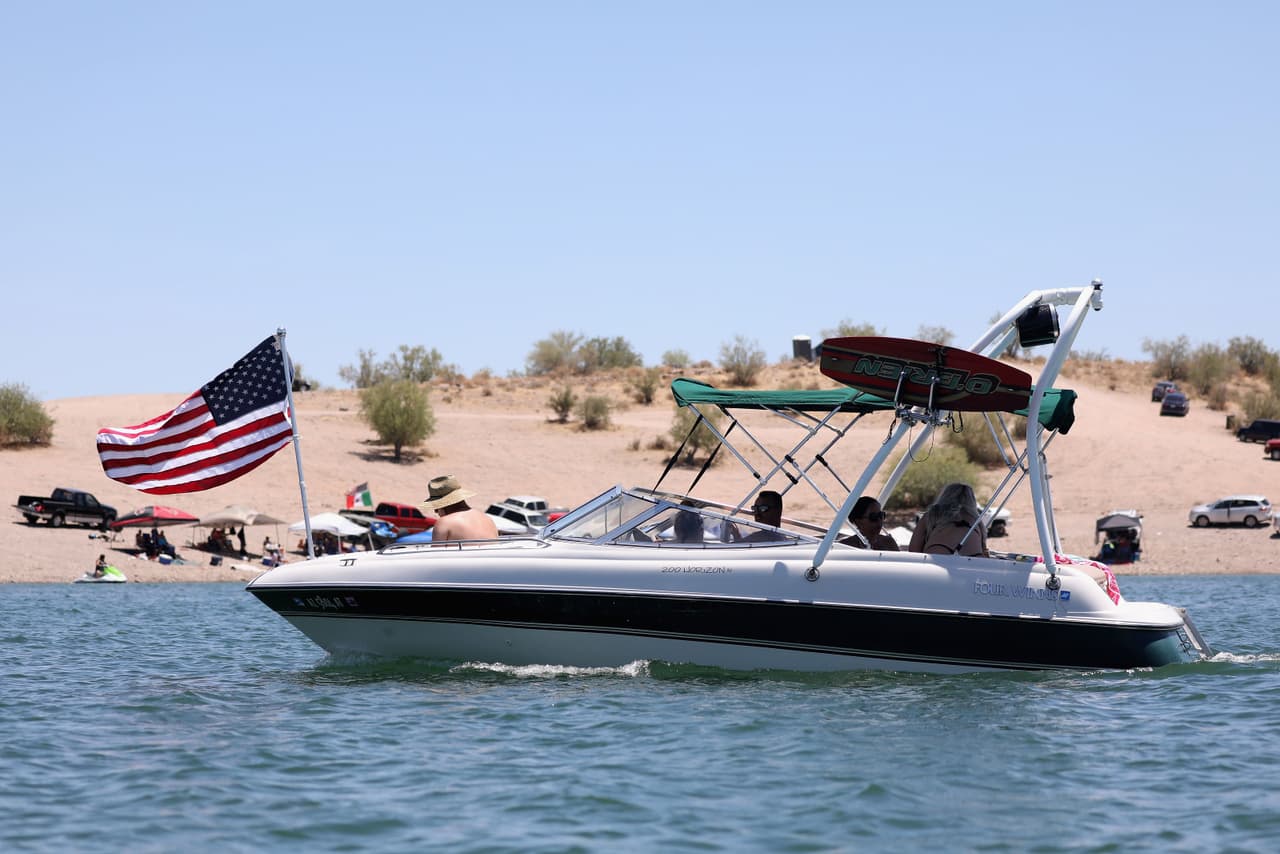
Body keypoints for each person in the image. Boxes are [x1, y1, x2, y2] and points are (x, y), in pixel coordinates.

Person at [908, 483, 988, 557]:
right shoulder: (977, 521)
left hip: (936, 560)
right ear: (972, 501)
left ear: (944, 496)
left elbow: (914, 550)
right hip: (972, 563)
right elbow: (984, 553)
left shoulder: (932, 515)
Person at [422, 475, 499, 542]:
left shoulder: (445, 523)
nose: (435, 511)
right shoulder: (487, 518)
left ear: (443, 505)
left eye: (436, 507)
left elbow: (437, 553)